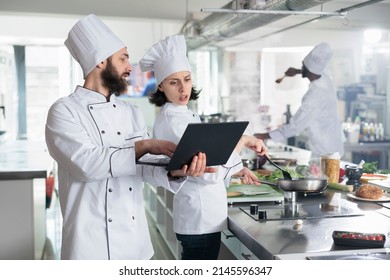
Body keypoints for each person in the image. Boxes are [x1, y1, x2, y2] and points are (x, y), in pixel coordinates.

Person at [45, 14, 214, 260]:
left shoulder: (130, 112)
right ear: (101, 61)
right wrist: (143, 146)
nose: (129, 67)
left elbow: (142, 170)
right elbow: (87, 164)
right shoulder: (64, 111)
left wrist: (175, 172)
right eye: (123, 58)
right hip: (89, 248)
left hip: (135, 246)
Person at [139, 34, 268, 260]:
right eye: (173, 82)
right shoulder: (173, 121)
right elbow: (207, 171)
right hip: (200, 219)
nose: (182, 88)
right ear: (160, 85)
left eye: (187, 79)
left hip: (203, 218)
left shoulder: (184, 113)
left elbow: (209, 155)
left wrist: (239, 168)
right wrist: (243, 141)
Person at [254, 42, 344, 159]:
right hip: (334, 144)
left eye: (303, 65)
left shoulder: (315, 97)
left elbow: (295, 127)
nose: (301, 66)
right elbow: (316, 71)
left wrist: (263, 135)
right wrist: (298, 71)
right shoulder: (326, 81)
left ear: (309, 70)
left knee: (325, 176)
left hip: (324, 152)